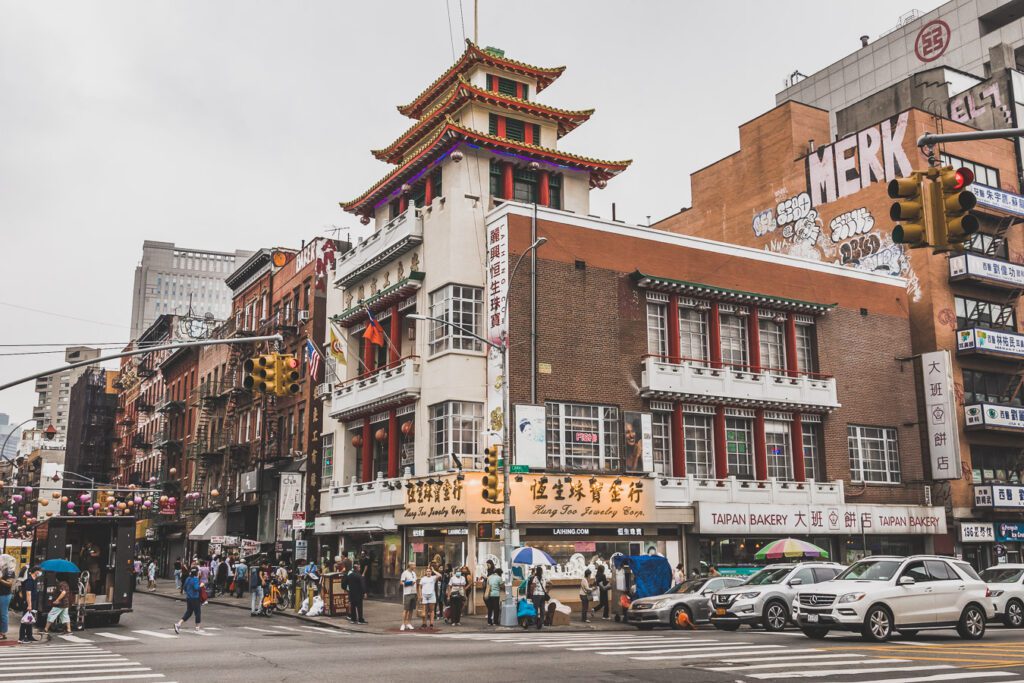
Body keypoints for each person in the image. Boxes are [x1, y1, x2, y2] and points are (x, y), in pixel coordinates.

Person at [174, 567, 204, 633]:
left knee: (189, 612)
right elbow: (196, 588)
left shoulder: (188, 578)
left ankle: (178, 624)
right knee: (197, 612)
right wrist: (201, 585)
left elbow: (184, 587)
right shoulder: (195, 579)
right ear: (196, 572)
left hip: (189, 598)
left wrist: (189, 592)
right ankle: (197, 628)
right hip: (195, 598)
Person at [18, 566, 41, 643]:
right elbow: (28, 594)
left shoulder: (35, 580)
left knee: (29, 619)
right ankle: (21, 638)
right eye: (39, 571)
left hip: (32, 601)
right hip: (28, 602)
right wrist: (29, 605)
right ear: (35, 572)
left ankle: (29, 636)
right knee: (25, 620)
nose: (40, 573)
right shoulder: (29, 581)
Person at [527, 566, 550, 631]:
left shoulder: (535, 578)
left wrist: (531, 594)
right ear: (542, 571)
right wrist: (547, 591)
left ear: (537, 571)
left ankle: (535, 622)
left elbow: (533, 587)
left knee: (535, 609)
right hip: (542, 595)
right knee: (542, 609)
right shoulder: (544, 578)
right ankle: (541, 622)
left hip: (536, 595)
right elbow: (551, 583)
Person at [399, 562, 418, 631]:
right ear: (410, 566)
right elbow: (401, 582)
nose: (415, 566)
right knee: (406, 609)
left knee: (411, 609)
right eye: (414, 565)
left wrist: (417, 593)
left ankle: (408, 623)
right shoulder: (405, 573)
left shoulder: (414, 573)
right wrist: (409, 583)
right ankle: (403, 624)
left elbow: (416, 583)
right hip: (407, 593)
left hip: (414, 592)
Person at [0, 558, 14, 640]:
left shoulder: (9, 571)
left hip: (4, 595)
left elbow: (10, 584)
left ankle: (3, 632)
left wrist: (1, 580)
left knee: (3, 614)